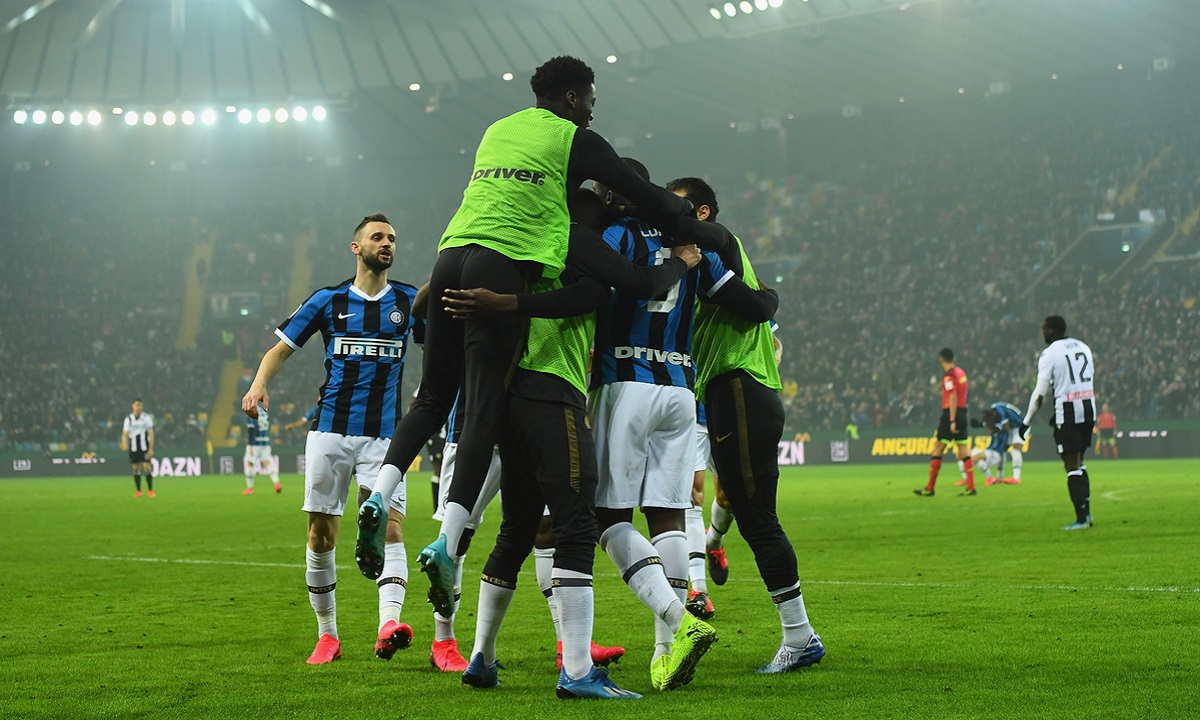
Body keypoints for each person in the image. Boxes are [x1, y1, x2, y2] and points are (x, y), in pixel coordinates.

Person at [356, 56, 702, 619]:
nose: (593, 111)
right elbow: (641, 197)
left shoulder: (498, 129)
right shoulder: (574, 153)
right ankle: (446, 541)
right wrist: (687, 214)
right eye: (590, 100)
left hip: (450, 253)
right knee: (482, 412)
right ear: (573, 98)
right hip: (503, 276)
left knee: (433, 398)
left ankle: (378, 493)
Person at [440, 188, 702, 698]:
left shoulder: (514, 247)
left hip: (508, 395)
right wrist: (681, 260)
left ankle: (481, 658)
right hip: (551, 391)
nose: (606, 215)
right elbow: (626, 284)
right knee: (579, 524)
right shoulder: (580, 243)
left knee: (516, 531)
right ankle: (584, 668)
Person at [588, 163, 777, 689]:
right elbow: (751, 303)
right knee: (669, 517)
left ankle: (679, 621)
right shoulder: (694, 243)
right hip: (679, 390)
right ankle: (665, 654)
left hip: (625, 383)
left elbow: (596, 289)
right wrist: (770, 297)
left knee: (608, 519)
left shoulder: (615, 235)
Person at [240, 214, 423, 665]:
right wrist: (258, 384)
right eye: (377, 237)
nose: (387, 243)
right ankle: (328, 636)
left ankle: (388, 625)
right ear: (356, 247)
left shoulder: (409, 300)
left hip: (386, 438)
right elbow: (280, 348)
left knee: (391, 527)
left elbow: (440, 350)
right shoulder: (328, 300)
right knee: (321, 535)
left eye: (392, 238)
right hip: (329, 433)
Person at [670, 176, 825, 675]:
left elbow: (760, 307)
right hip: (737, 389)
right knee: (750, 509)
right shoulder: (712, 259)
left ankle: (799, 637)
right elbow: (766, 313)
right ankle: (798, 633)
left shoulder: (716, 246)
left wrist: (765, 302)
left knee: (758, 518)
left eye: (676, 206)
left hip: (738, 386)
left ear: (702, 212)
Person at [1020, 316, 1097, 530]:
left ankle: (1081, 519)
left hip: (1068, 413)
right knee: (1080, 462)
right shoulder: (1083, 347)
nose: (1042, 333)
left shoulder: (1050, 353)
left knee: (1071, 465)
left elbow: (1039, 394)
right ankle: (1087, 514)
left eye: (1044, 329)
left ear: (1052, 330)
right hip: (1088, 409)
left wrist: (1026, 421)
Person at [915, 349, 975, 497]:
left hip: (950, 414)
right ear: (954, 358)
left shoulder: (949, 377)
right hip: (962, 412)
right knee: (963, 451)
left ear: (941, 360)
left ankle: (930, 488)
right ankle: (971, 487)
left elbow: (952, 396)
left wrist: (952, 420)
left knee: (937, 450)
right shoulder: (961, 373)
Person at [242, 407, 281, 495]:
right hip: (265, 442)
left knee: (249, 464)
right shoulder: (264, 412)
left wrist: (250, 446)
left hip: (255, 444)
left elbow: (251, 430)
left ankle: (250, 488)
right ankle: (277, 483)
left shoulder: (253, 412)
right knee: (267, 463)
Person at [121, 398, 155, 498]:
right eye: (136, 405)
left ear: (142, 407)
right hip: (134, 447)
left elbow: (151, 434)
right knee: (135, 468)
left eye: (140, 405)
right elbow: (125, 433)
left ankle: (150, 490)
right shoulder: (128, 419)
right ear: (133, 406)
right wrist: (124, 443)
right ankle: (139, 491)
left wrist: (151, 449)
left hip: (144, 447)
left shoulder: (146, 418)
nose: (138, 407)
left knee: (146, 467)